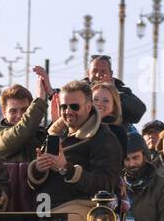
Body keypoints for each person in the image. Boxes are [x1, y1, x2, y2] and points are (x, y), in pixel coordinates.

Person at [27, 79, 124, 212]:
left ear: (88, 107)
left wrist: (67, 169)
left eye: (74, 106)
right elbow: (35, 184)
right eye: (63, 107)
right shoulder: (55, 135)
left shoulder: (104, 138)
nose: (68, 111)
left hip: (78, 214)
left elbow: (105, 185)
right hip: (43, 210)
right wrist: (39, 168)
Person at [123, 133, 164, 221]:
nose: (131, 164)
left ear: (145, 157)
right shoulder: (117, 185)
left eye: (135, 158)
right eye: (127, 159)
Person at [0, 81, 48, 162]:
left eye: (24, 110)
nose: (19, 115)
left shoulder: (41, 135)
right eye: (13, 111)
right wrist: (40, 100)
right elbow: (20, 132)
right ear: (4, 112)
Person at [86, 55, 146, 126]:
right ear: (88, 73)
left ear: (111, 74)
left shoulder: (122, 91)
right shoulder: (79, 91)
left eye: (103, 71)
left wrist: (114, 93)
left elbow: (139, 111)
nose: (98, 75)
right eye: (94, 71)